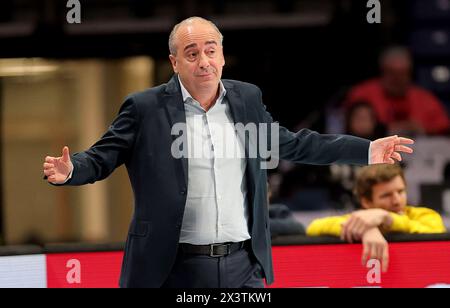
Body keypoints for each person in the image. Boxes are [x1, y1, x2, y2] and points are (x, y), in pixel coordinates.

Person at [42, 17, 414, 288]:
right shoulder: (145, 108)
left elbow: (294, 143)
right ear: (174, 63)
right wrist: (72, 168)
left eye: (210, 50)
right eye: (191, 53)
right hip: (171, 268)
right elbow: (103, 156)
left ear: (222, 56)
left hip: (242, 265)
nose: (203, 60)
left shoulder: (246, 98)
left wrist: (366, 150)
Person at [307, 164, 446, 272]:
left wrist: (387, 218)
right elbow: (314, 227)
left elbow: (436, 231)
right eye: (386, 195)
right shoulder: (361, 219)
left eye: (400, 191)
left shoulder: (424, 214)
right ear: (366, 202)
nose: (397, 200)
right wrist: (367, 229)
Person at [346, 46, 450, 136]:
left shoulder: (424, 98)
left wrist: (422, 129)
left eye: (403, 73)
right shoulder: (362, 94)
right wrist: (384, 129)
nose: (398, 79)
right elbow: (346, 129)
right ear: (382, 71)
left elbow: (444, 128)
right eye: (392, 73)